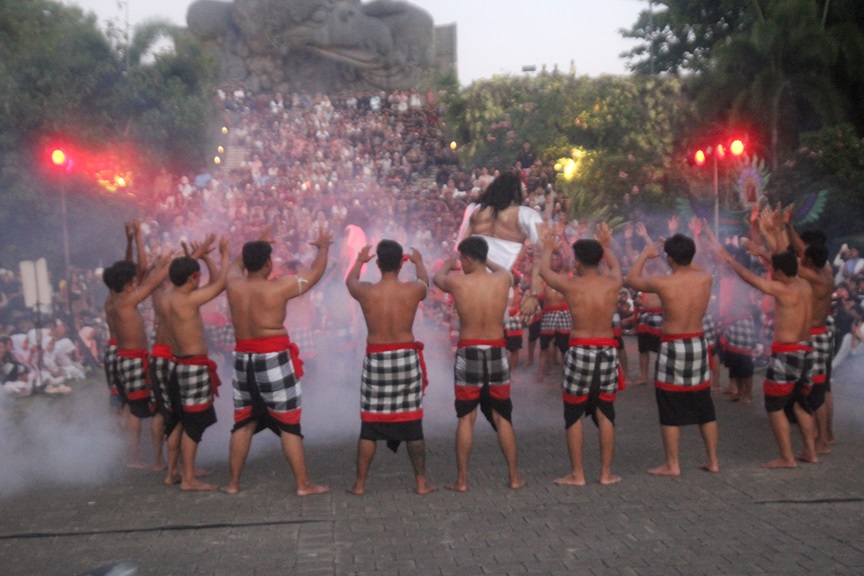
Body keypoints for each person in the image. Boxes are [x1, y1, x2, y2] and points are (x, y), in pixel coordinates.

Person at [221, 229, 331, 496]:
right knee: (288, 423)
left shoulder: (233, 283)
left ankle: (233, 484)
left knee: (243, 422)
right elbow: (314, 275)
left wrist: (257, 242)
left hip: (243, 357)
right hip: (272, 356)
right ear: (269, 264)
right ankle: (303, 485)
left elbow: (236, 264)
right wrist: (324, 248)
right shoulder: (279, 287)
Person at [714, 241, 818, 468]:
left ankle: (787, 457)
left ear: (778, 272)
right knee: (801, 402)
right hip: (807, 350)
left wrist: (730, 260)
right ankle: (810, 452)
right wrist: (763, 252)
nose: (771, 273)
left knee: (775, 405)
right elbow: (785, 265)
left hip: (787, 352)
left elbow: (750, 278)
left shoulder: (782, 289)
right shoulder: (805, 285)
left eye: (773, 270)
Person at [433, 236, 525, 491]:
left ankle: (462, 480)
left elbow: (437, 279)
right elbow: (506, 272)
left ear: (470, 258)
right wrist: (484, 260)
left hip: (469, 348)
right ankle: (514, 477)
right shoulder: (502, 279)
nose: (460, 264)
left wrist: (448, 263)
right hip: (496, 349)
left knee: (466, 417)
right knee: (502, 415)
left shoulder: (457, 282)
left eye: (463, 259)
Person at [345, 240, 435, 495]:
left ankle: (360, 484)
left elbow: (349, 282)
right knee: (412, 421)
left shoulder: (366, 291)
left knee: (370, 425)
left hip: (377, 359)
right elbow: (425, 283)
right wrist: (419, 262)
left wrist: (360, 260)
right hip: (406, 358)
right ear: (401, 263)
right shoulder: (412, 290)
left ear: (378, 263)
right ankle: (420, 483)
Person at [626, 234, 719, 476]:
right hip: (698, 342)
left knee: (669, 403)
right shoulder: (705, 278)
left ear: (669, 259)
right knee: (704, 403)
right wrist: (681, 254)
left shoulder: (663, 283)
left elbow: (631, 279)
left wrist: (645, 255)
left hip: (674, 344)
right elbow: (694, 267)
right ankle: (713, 460)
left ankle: (672, 464)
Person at [539, 224, 623, 485]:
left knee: (574, 413)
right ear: (598, 260)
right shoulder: (612, 284)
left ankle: (578, 474)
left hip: (580, 349)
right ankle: (606, 474)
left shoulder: (571, 286)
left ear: (577, 261)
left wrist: (548, 249)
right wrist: (606, 247)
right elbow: (617, 268)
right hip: (607, 349)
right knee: (605, 411)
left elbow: (543, 272)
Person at [162, 236, 230, 491]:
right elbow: (221, 283)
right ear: (191, 278)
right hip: (192, 368)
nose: (198, 282)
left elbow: (212, 283)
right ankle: (189, 478)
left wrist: (201, 256)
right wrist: (223, 255)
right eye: (196, 277)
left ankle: (173, 472)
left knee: (179, 420)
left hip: (177, 366)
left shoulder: (168, 296)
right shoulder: (187, 300)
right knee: (193, 425)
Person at [105, 228, 172, 469]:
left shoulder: (114, 299)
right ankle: (133, 457)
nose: (136, 282)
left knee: (131, 406)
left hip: (127, 357)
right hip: (132, 359)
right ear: (125, 285)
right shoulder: (126, 301)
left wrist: (132, 241)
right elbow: (152, 280)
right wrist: (169, 264)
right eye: (132, 281)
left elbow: (131, 269)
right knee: (136, 409)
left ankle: (130, 454)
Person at [455, 170, 543, 324]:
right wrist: (533, 294)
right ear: (514, 191)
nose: (525, 194)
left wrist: (460, 285)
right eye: (522, 190)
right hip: (499, 287)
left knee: (471, 336)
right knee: (493, 336)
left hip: (471, 286)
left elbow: (460, 249)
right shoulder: (528, 215)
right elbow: (540, 255)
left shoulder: (475, 210)